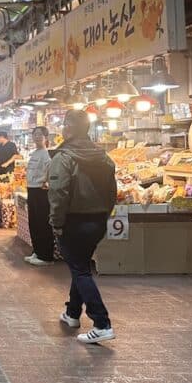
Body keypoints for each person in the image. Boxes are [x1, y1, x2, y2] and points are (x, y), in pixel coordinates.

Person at [49, 110, 118, 344]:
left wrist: (56, 222)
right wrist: (105, 214)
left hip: (73, 221)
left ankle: (101, 323)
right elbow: (112, 191)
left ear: (68, 129)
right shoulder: (103, 157)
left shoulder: (64, 157)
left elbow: (58, 192)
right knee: (80, 265)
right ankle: (72, 313)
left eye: (64, 124)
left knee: (80, 270)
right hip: (97, 221)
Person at [25, 126, 54, 266]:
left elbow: (50, 171)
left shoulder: (46, 154)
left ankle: (46, 256)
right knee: (34, 223)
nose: (37, 137)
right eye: (35, 134)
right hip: (31, 190)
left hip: (41, 191)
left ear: (46, 137)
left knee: (42, 223)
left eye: (40, 135)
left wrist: (47, 183)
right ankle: (37, 251)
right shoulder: (34, 153)